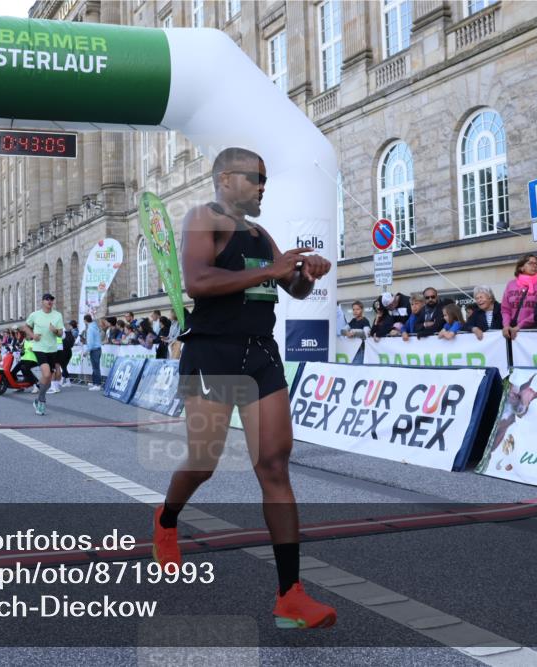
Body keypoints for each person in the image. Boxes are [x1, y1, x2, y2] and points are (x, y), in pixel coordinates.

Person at [154, 147, 337, 629]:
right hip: (212, 354)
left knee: (274, 464)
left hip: (260, 354)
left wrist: (304, 275)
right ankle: (168, 519)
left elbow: (287, 288)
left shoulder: (260, 233)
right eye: (255, 178)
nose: (262, 186)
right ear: (225, 178)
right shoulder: (202, 219)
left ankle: (290, 597)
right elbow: (197, 281)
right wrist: (272, 270)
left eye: (264, 178)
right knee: (203, 463)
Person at [22, 293, 64, 416]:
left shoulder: (57, 315)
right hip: (39, 348)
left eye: (51, 299)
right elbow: (25, 327)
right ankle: (42, 400)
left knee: (49, 381)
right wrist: (32, 335)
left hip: (52, 349)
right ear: (42, 302)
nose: (49, 301)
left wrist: (55, 331)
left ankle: (39, 398)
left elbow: (61, 333)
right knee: (46, 374)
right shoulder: (35, 315)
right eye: (47, 299)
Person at [501, 253, 537, 340]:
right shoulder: (511, 284)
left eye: (536, 264)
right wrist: (506, 326)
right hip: (512, 331)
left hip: (533, 332)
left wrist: (520, 326)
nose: (534, 266)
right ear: (521, 267)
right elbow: (505, 309)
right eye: (530, 263)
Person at [83, 314, 104, 390]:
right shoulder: (95, 327)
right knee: (95, 367)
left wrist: (86, 351)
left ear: (85, 320)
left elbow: (91, 342)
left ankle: (97, 384)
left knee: (95, 367)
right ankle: (95, 382)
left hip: (94, 349)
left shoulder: (90, 329)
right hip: (97, 349)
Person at [59, 321, 77, 387]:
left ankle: (67, 381)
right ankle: (64, 380)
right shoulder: (69, 333)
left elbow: (59, 345)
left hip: (63, 352)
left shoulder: (61, 335)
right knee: (64, 366)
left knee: (63, 367)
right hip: (69, 351)